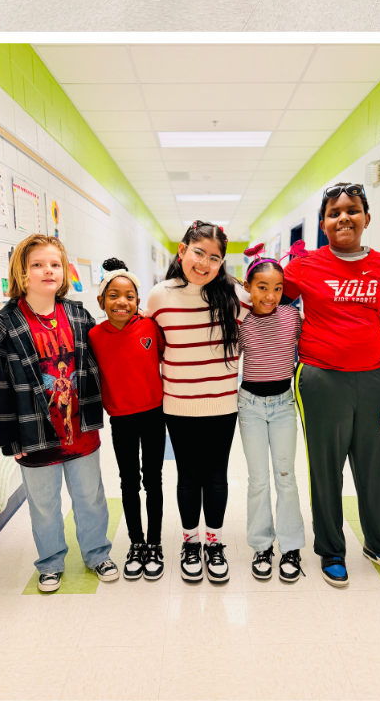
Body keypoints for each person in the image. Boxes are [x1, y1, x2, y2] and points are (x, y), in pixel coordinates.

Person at [282, 182, 380, 587]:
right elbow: (266, 304)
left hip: (376, 377)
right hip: (320, 378)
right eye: (335, 212)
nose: (344, 217)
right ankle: (331, 549)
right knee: (325, 469)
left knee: (377, 468)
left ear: (366, 218)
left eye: (352, 210)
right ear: (323, 224)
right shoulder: (303, 267)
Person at [0, 234, 119, 593]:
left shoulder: (78, 314)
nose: (48, 271)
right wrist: (7, 440)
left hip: (80, 429)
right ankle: (51, 562)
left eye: (55, 264)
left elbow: (103, 361)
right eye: (37, 265)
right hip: (33, 435)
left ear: (64, 271)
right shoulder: (4, 326)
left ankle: (96, 552)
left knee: (90, 496)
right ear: (22, 274)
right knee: (44, 505)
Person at [144, 221, 249, 584]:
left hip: (222, 404)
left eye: (214, 258)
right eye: (198, 252)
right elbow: (145, 346)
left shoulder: (235, 295)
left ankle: (214, 543)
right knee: (188, 476)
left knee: (216, 476)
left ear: (222, 263)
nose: (204, 263)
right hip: (178, 404)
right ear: (182, 250)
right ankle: (190, 542)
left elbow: (270, 311)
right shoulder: (159, 296)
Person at [88, 257, 165, 581]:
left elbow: (165, 356)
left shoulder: (150, 327)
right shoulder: (94, 336)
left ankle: (155, 543)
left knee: (154, 480)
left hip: (153, 414)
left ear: (138, 300)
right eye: (114, 295)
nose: (122, 301)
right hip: (121, 418)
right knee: (129, 482)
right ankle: (136, 543)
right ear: (101, 300)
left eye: (130, 296)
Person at [237, 250, 305, 583]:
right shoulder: (241, 320)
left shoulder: (293, 317)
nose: (270, 296)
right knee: (258, 480)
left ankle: (291, 546)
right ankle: (262, 545)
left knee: (285, 476)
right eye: (262, 287)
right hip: (249, 406)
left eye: (278, 288)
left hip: (283, 405)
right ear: (248, 287)